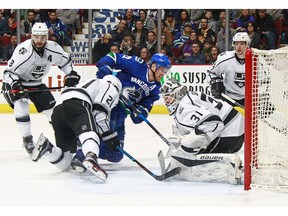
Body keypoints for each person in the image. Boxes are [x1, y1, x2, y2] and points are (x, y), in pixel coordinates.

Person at [72, 52, 172, 169]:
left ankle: (84, 145)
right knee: (104, 131)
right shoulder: (137, 64)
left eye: (166, 72)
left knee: (116, 155)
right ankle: (81, 155)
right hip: (109, 104)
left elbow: (145, 107)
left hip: (121, 116)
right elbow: (113, 57)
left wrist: (140, 112)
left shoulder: (155, 89)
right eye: (162, 70)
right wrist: (106, 67)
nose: (163, 74)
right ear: (154, 66)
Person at [1, 22, 81, 156]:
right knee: (21, 106)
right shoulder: (23, 51)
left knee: (54, 113)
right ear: (32, 36)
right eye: (36, 37)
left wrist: (70, 74)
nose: (39, 40)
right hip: (16, 83)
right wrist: (16, 84)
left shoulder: (53, 48)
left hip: (36, 83)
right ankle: (27, 140)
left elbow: (66, 62)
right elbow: (8, 73)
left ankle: (67, 138)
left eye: (42, 37)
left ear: (47, 37)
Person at [31, 75, 122, 181]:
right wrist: (108, 135)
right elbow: (99, 112)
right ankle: (91, 157)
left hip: (57, 110)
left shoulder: (87, 82)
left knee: (65, 161)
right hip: (77, 104)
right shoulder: (110, 87)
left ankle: (48, 149)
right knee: (90, 134)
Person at [160, 77, 244, 185]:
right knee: (190, 146)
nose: (166, 102)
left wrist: (186, 142)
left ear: (178, 94)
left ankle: (234, 172)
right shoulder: (189, 99)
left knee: (193, 155)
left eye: (169, 98)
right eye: (164, 99)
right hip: (234, 130)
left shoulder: (184, 108)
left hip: (230, 134)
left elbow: (214, 123)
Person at [207, 32, 250, 106]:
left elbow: (264, 80)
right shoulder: (225, 58)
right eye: (236, 44)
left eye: (242, 44)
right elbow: (212, 73)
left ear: (247, 45)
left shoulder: (255, 59)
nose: (239, 47)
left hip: (249, 98)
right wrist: (215, 83)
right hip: (229, 98)